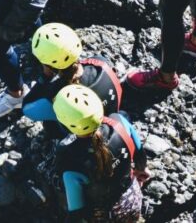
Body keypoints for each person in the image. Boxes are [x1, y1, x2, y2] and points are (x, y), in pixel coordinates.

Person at [53, 85, 149, 223]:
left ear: (65, 125)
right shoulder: (119, 121)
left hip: (107, 216)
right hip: (133, 200)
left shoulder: (71, 162)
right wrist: (142, 169)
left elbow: (76, 212)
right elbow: (140, 156)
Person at [23, 23, 123, 131]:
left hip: (82, 132)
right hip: (112, 123)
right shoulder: (100, 63)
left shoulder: (57, 95)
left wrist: (45, 77)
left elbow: (27, 108)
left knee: (50, 125)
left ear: (48, 66)